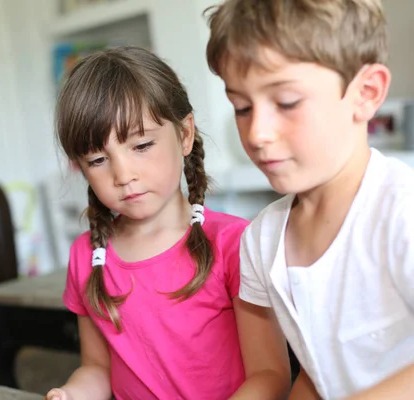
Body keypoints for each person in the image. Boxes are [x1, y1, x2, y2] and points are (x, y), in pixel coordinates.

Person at [206, 0, 414, 399]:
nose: (257, 133)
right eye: (241, 107)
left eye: (286, 102)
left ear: (366, 93)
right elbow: (321, 370)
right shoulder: (261, 241)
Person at [45, 46, 291, 400]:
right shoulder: (87, 255)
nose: (123, 174)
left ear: (184, 134)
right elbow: (97, 369)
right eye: (98, 159)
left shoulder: (235, 243)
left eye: (142, 145)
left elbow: (270, 375)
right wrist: (70, 394)